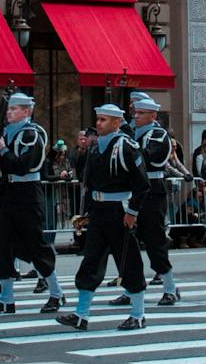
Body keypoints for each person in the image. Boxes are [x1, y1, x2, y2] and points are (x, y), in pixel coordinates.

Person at [56, 103, 149, 332]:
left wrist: (132, 212)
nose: (98, 124)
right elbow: (91, 183)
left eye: (104, 120)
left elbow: (142, 185)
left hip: (119, 210)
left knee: (128, 261)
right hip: (98, 211)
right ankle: (81, 314)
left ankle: (138, 314)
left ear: (117, 123)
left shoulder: (126, 147)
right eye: (98, 119)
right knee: (91, 261)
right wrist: (86, 214)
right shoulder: (96, 147)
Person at [0, 93, 62, 315]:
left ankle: (56, 292)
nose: (9, 112)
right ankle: (6, 298)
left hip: (27, 193)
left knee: (35, 244)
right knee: (2, 244)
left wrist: (2, 149)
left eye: (15, 109)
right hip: (9, 192)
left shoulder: (31, 134)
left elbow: (24, 165)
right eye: (9, 108)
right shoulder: (6, 133)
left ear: (26, 112)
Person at [116, 93, 180, 307]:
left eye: (141, 113)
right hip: (133, 191)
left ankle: (170, 287)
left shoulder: (158, 135)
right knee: (128, 241)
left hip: (152, 190)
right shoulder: (130, 133)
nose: (136, 116)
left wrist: (126, 136)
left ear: (153, 115)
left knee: (154, 241)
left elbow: (146, 157)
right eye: (135, 112)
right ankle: (131, 287)